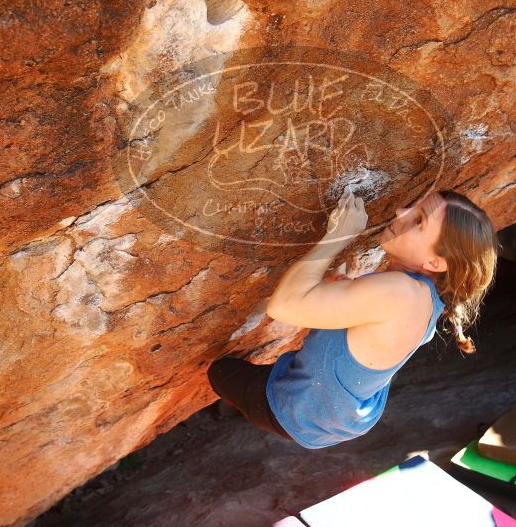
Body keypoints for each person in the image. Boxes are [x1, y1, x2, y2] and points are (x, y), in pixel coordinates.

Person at [207, 189, 500, 448]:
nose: (401, 212)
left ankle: (239, 403)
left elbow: (284, 305)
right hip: (343, 415)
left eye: (418, 221)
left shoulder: (399, 291)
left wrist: (339, 235)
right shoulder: (425, 298)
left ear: (435, 262)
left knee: (220, 371)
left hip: (301, 415)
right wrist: (346, 289)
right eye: (414, 207)